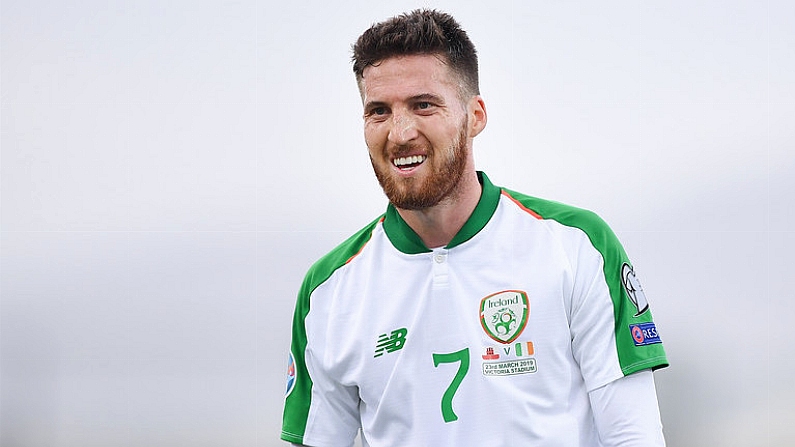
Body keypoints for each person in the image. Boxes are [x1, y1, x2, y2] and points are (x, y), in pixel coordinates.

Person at [281, 9, 668, 447]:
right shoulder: (328, 290)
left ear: (476, 115)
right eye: (378, 112)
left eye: (423, 105)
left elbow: (633, 437)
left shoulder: (577, 245)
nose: (400, 132)